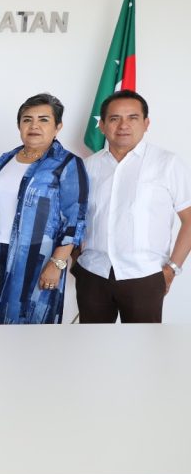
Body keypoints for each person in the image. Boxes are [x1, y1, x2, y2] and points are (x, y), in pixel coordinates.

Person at [74, 89, 191, 323]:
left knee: (144, 344)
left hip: (145, 276)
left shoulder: (167, 163)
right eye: (114, 118)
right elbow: (75, 217)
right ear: (102, 125)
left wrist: (172, 268)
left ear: (146, 123)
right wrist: (76, 259)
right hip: (93, 273)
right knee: (91, 343)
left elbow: (189, 219)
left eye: (133, 117)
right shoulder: (87, 167)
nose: (123, 125)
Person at [0, 93, 88, 325]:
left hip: (36, 259)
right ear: (19, 125)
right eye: (27, 119)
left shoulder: (68, 164)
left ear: (58, 126)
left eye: (44, 119)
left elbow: (75, 220)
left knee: (28, 325)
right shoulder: (6, 159)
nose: (34, 125)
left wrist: (57, 263)